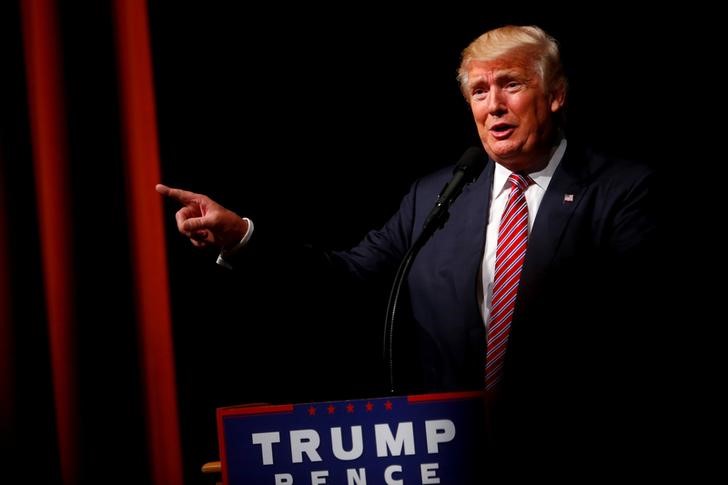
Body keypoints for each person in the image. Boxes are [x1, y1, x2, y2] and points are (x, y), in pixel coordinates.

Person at [157, 25, 662, 473]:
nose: (494, 106)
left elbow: (626, 329)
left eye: (512, 84)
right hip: (450, 454)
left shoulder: (621, 189)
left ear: (555, 95)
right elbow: (346, 277)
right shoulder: (438, 195)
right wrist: (244, 236)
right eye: (480, 91)